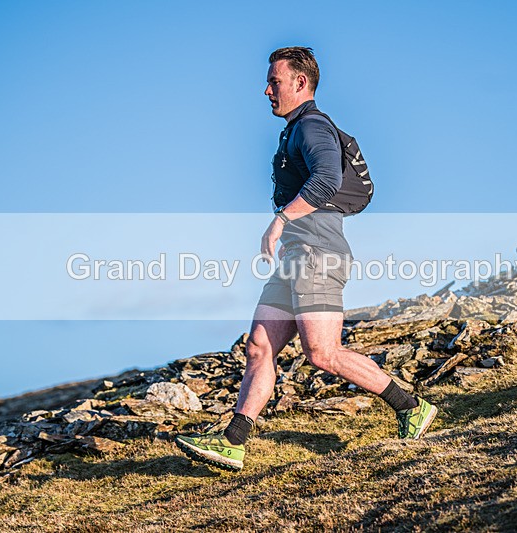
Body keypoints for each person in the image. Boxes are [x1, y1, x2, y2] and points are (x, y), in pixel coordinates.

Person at [175, 47, 437, 471]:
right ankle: (233, 441)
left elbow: (328, 179)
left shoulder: (312, 126)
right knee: (260, 346)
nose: (266, 90)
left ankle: (411, 406)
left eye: (274, 81)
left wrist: (280, 220)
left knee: (323, 353)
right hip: (296, 259)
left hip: (318, 256)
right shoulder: (295, 129)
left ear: (300, 83)